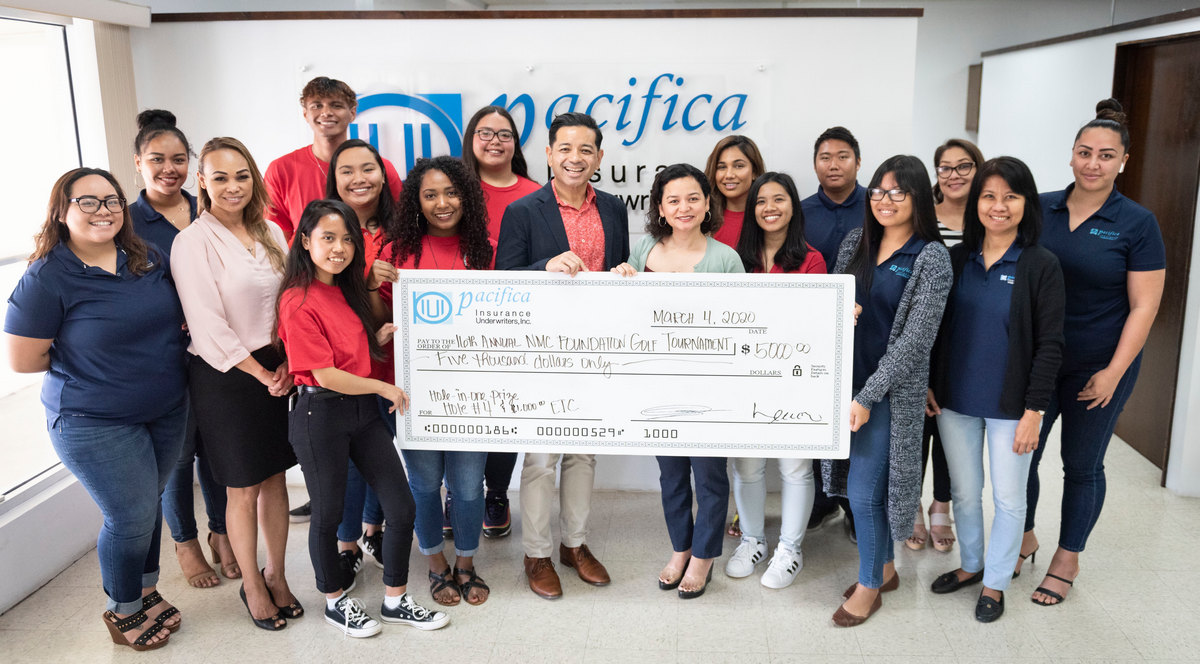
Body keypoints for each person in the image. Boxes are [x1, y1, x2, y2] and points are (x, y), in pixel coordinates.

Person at [5, 167, 188, 650]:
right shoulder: (47, 275)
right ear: (61, 213)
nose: (102, 211)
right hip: (94, 421)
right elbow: (25, 360)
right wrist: (93, 367)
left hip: (166, 408)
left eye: (110, 200)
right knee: (128, 517)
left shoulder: (147, 257)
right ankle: (123, 609)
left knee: (149, 505)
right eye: (86, 202)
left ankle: (147, 592)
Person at [277, 199, 449, 636]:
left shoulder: (344, 290)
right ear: (305, 241)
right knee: (329, 515)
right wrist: (382, 386)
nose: (339, 247)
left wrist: (379, 337)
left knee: (401, 505)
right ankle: (335, 601)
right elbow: (324, 372)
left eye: (347, 238)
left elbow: (349, 356)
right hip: (320, 414)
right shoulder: (297, 299)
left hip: (360, 414)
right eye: (328, 238)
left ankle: (395, 599)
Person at [1022, 99, 1165, 606]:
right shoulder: (1040, 207)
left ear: (1123, 161)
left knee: (1081, 464)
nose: (1092, 163)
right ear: (1071, 156)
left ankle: (1067, 558)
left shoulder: (1136, 223)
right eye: (1084, 152)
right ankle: (1025, 536)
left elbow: (1144, 308)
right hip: (1039, 362)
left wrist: (1112, 372)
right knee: (1023, 458)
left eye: (1106, 155)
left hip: (1099, 364)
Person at [495, 112, 629, 599]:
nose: (576, 158)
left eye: (586, 150)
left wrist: (625, 275)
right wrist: (544, 265)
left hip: (597, 351)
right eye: (565, 149)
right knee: (541, 457)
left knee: (583, 453)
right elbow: (505, 280)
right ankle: (536, 553)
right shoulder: (524, 211)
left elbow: (616, 273)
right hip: (543, 352)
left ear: (598, 157)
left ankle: (574, 544)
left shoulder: (613, 209)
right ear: (549, 154)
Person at [927, 156, 1065, 622]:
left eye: (1011, 196)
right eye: (989, 196)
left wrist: (1035, 411)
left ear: (1027, 203)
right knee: (965, 492)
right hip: (955, 401)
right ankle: (971, 565)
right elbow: (935, 330)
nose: (998, 206)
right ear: (975, 203)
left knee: (1009, 498)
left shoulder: (1040, 265)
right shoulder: (956, 258)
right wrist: (930, 383)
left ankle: (996, 582)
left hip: (1012, 408)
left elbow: (1050, 345)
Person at [171, 137, 299, 631]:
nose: (232, 186)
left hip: (278, 368)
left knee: (276, 481)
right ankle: (251, 583)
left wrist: (288, 359)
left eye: (241, 175)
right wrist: (260, 370)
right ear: (202, 181)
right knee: (243, 487)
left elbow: (291, 299)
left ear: (254, 179)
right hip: (227, 376)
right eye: (220, 177)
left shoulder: (270, 230)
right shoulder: (192, 241)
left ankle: (278, 574)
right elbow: (207, 325)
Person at [823, 155, 951, 627]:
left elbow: (917, 342)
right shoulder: (856, 241)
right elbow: (832, 302)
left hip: (887, 398)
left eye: (898, 192)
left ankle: (869, 587)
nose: (885, 200)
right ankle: (888, 569)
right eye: (878, 190)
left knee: (863, 495)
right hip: (846, 386)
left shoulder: (931, 258)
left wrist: (868, 396)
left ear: (918, 197)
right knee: (859, 489)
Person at [611, 163, 741, 598]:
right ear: (660, 209)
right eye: (673, 200)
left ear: (708, 204)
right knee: (670, 474)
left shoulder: (726, 258)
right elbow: (622, 315)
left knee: (709, 476)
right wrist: (621, 279)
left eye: (693, 198)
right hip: (656, 386)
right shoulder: (644, 248)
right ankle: (680, 548)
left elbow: (744, 325)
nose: (683, 207)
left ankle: (703, 557)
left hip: (711, 389)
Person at [376, 156, 495, 607]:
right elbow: (371, 317)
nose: (442, 203)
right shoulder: (394, 253)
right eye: (430, 194)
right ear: (415, 201)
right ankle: (434, 564)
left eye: (451, 192)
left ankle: (466, 563)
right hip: (412, 389)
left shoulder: (486, 247)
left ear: (467, 196)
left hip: (471, 391)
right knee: (424, 483)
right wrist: (379, 322)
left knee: (467, 485)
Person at [129, 109, 240, 589]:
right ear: (138, 163)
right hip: (161, 357)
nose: (168, 169)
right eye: (157, 159)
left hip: (213, 352)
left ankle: (221, 533)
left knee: (216, 449)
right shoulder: (126, 221)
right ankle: (186, 541)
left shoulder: (208, 209)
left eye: (178, 159)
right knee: (177, 455)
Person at [724, 172, 826, 588]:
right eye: (762, 201)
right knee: (747, 468)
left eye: (779, 199)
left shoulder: (812, 260)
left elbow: (814, 325)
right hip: (745, 380)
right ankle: (752, 540)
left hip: (793, 382)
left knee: (795, 468)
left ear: (793, 207)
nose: (770, 207)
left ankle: (789, 548)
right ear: (752, 210)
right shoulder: (735, 259)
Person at [460, 104, 540, 538]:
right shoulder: (453, 188)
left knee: (505, 411)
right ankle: (459, 492)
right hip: (458, 319)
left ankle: (495, 492)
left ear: (516, 143)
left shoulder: (534, 193)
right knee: (462, 409)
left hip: (516, 320)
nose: (495, 141)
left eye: (504, 134)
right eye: (485, 132)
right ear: (471, 138)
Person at [908, 137, 985, 553]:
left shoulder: (988, 217)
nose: (953, 175)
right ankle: (915, 508)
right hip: (925, 336)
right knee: (918, 424)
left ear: (978, 168)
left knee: (953, 425)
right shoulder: (922, 219)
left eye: (964, 166)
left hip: (968, 337)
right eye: (945, 167)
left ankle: (942, 506)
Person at [324, 138, 395, 577]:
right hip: (346, 369)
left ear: (384, 174)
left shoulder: (402, 230)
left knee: (381, 454)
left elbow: (393, 309)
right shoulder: (326, 230)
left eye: (367, 168)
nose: (358, 179)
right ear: (334, 179)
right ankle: (346, 542)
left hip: (392, 363)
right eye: (346, 170)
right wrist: (367, 284)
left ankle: (373, 528)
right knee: (349, 464)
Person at [801, 126, 867, 540]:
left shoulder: (878, 206)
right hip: (813, 334)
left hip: (868, 331)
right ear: (815, 164)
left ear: (858, 161)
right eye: (825, 157)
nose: (834, 164)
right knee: (815, 419)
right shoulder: (802, 210)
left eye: (842, 156)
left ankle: (854, 506)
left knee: (859, 421)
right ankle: (822, 502)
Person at [264, 76, 402, 241]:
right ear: (305, 114)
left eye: (336, 105)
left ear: (352, 113)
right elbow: (276, 239)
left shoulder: (380, 168)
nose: (326, 112)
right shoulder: (281, 169)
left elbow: (399, 224)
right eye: (317, 106)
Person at [705, 135, 766, 249]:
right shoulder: (703, 219)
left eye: (738, 166)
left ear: (755, 172)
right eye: (722, 167)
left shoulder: (769, 216)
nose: (729, 175)